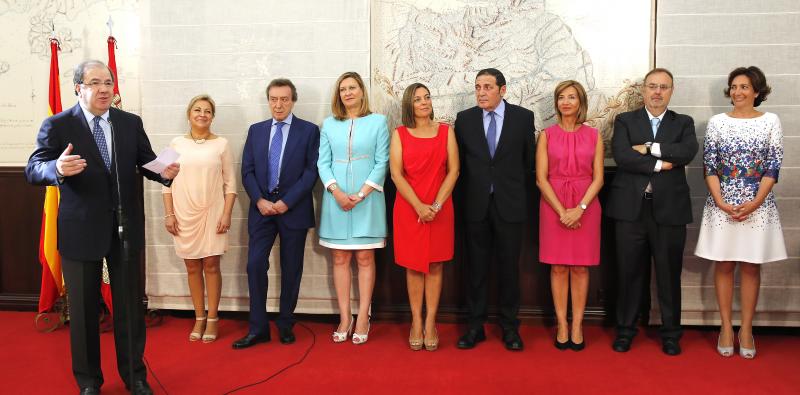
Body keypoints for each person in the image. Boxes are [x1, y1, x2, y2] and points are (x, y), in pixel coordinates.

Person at [25, 60, 179, 395]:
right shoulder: (58, 125)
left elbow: (146, 161)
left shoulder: (129, 122)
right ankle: (89, 382)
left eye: (108, 82)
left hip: (124, 230)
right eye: (95, 82)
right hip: (80, 232)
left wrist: (163, 172)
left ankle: (135, 376)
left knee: (129, 310)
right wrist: (57, 167)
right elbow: (34, 168)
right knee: (82, 314)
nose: (104, 89)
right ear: (78, 87)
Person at [695, 66, 787, 359]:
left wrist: (756, 201)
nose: (737, 92)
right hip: (722, 202)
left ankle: (746, 329)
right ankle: (725, 327)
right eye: (734, 86)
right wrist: (720, 200)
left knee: (750, 265)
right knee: (723, 264)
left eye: (744, 87)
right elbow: (709, 166)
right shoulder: (717, 123)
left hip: (758, 204)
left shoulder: (771, 121)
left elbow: (773, 167)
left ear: (757, 91)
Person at [606, 68, 698, 356]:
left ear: (671, 91)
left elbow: (686, 152)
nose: (657, 92)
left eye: (664, 87)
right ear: (643, 90)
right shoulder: (624, 120)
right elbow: (622, 155)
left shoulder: (683, 122)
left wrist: (647, 148)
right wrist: (661, 162)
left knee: (669, 275)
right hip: (631, 210)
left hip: (669, 211)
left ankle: (671, 334)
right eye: (652, 86)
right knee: (629, 273)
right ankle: (625, 330)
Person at [232, 79, 320, 349]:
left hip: (292, 209)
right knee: (255, 264)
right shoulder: (256, 131)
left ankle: (285, 324)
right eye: (273, 99)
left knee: (291, 269)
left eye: (284, 99)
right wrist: (258, 199)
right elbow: (246, 170)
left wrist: (287, 202)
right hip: (261, 210)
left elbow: (311, 172)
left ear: (293, 100)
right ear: (268, 100)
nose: (278, 104)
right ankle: (258, 328)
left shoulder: (309, 131)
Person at [454, 68, 535, 351]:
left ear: (503, 90)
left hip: (509, 206)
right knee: (475, 270)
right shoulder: (464, 120)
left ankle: (510, 328)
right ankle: (474, 327)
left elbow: (528, 164)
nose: (481, 92)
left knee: (509, 270)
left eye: (487, 87)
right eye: (477, 87)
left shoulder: (523, 118)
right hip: (475, 206)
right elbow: (460, 166)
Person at [318, 71, 389, 345]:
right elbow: (322, 163)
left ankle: (363, 317)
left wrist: (360, 193)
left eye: (352, 87)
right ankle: (345, 317)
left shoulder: (378, 122)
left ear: (361, 91)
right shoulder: (329, 124)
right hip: (336, 200)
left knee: (365, 259)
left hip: (368, 199)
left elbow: (382, 162)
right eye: (343, 89)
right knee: (339, 259)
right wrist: (336, 192)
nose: (347, 92)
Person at [162, 94, 236, 343]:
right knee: (192, 266)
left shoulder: (222, 144)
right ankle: (199, 317)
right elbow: (164, 182)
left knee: (212, 265)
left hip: (213, 212)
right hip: (183, 214)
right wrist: (169, 214)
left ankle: (213, 318)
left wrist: (226, 213)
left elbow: (231, 185)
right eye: (197, 110)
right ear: (189, 114)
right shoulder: (174, 143)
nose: (202, 114)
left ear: (213, 116)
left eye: (207, 111)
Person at [390, 83, 459, 351]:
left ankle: (431, 322)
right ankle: (415, 321)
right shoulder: (400, 134)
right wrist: (419, 206)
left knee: (436, 265)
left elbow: (453, 171)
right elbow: (396, 174)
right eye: (418, 99)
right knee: (414, 266)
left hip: (440, 208)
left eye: (427, 97)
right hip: (410, 208)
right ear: (409, 104)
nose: (424, 102)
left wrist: (436, 205)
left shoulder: (445, 131)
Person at [535, 80, 603, 351]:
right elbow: (541, 178)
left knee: (580, 267)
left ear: (580, 102)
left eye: (571, 97)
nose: (566, 102)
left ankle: (578, 325)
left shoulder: (594, 135)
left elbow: (598, 178)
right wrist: (563, 211)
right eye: (561, 97)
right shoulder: (546, 135)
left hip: (586, 205)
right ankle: (562, 323)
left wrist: (580, 209)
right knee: (559, 266)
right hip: (553, 205)